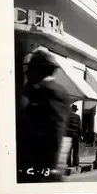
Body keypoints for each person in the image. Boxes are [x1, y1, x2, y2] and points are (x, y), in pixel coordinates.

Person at [17, 50, 70, 183]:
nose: (27, 72)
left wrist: (51, 169)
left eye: (30, 68)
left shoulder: (52, 91)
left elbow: (56, 131)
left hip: (40, 166)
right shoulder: (38, 89)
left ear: (38, 70)